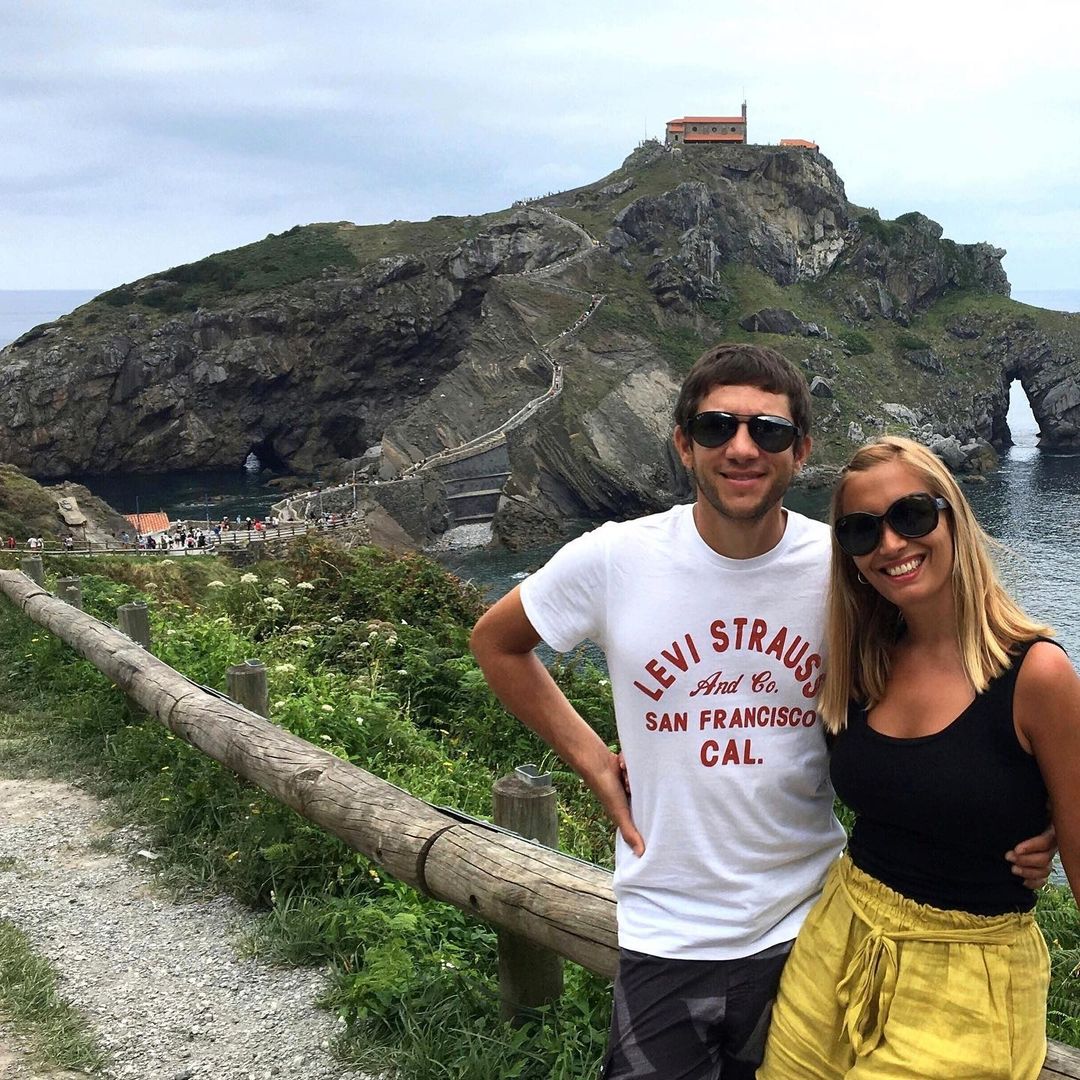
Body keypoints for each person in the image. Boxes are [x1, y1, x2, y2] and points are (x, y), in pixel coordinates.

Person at [469, 346, 1055, 1079]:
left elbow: (954, 682)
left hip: (811, 926)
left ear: (799, 451)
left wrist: (1034, 810)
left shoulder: (847, 568)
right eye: (716, 427)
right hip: (667, 930)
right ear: (684, 444)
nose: (742, 448)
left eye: (768, 431)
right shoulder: (616, 558)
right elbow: (496, 642)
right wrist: (593, 761)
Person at [758, 436, 1080, 1079]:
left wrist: (1039, 818)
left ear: (952, 516)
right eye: (861, 530)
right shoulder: (863, 664)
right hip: (838, 937)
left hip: (969, 973)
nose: (891, 544)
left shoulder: (1036, 675)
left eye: (911, 515)